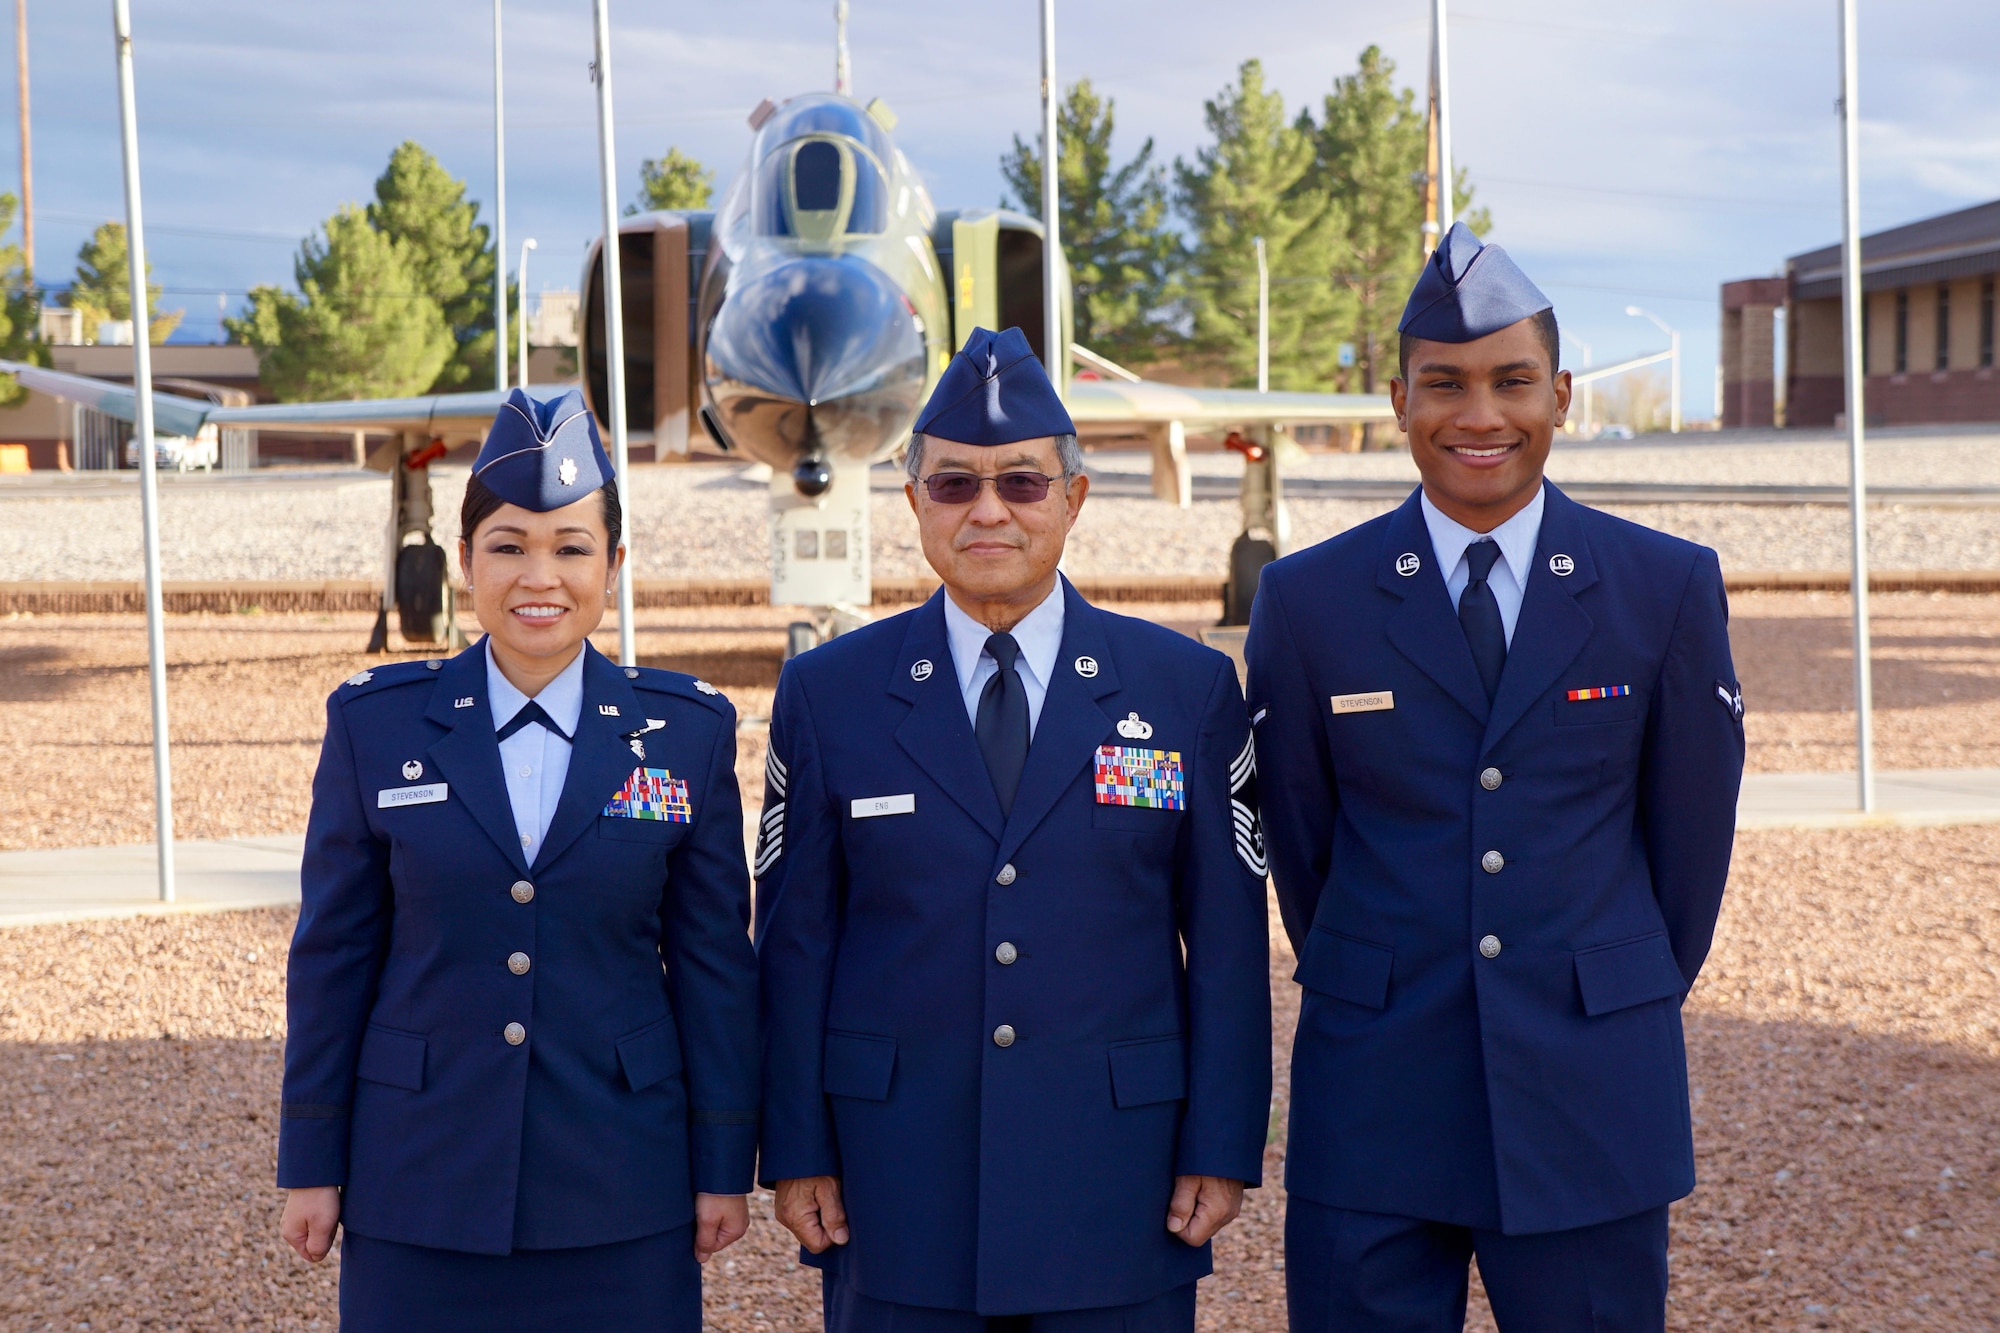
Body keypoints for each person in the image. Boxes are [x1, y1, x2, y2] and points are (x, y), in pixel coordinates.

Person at [1246, 223, 1745, 1333]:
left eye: (1511, 381)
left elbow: (1687, 847)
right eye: (1445, 385)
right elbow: (1301, 847)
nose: (1479, 417)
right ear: (1396, 399)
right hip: (1375, 1086)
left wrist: (1611, 982)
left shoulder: (1659, 587)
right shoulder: (1309, 601)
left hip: (1586, 1089)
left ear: (1560, 395)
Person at [755, 326, 1272, 1332]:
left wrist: (1220, 1139)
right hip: (893, 1173)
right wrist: (798, 1145)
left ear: (1072, 499)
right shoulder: (830, 693)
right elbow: (794, 942)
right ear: (912, 503)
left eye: (1022, 484)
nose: (986, 509)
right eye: (952, 485)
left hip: (1116, 1175)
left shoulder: (1184, 689)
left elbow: (1223, 943)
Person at [275, 388, 759, 1331]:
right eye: (508, 545)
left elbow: (713, 967)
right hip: (419, 1177)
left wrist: (722, 1163)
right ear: (465, 562)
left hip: (623, 1179)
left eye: (572, 547)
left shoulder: (687, 734)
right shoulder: (375, 725)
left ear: (613, 567)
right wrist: (311, 1161)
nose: (541, 574)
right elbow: (331, 956)